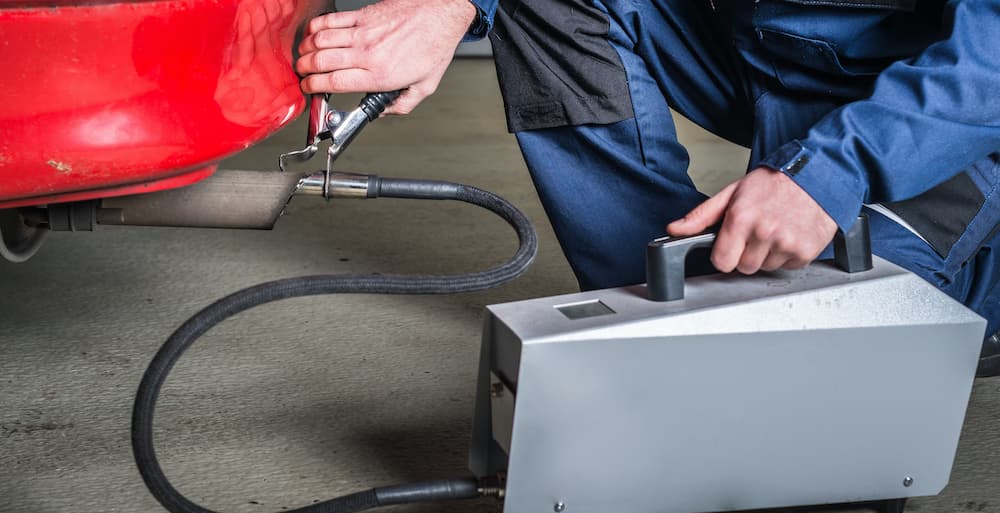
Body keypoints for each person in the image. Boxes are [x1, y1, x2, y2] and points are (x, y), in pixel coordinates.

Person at [296, 0, 1000, 375]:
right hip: (764, 57)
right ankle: (665, 298)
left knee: (845, 350)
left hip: (941, 114)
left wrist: (833, 173)